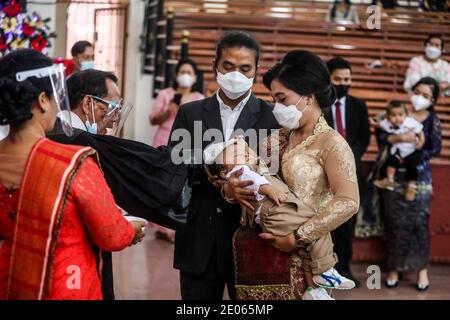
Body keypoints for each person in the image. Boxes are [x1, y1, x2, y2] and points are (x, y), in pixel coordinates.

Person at [0, 49, 145, 300]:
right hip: (63, 285)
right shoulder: (72, 163)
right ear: (43, 100)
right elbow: (111, 234)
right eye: (56, 98)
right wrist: (133, 230)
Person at [225, 50, 360, 300]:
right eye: (273, 99)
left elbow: (348, 201)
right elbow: (245, 171)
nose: (277, 107)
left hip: (305, 262)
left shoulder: (332, 143)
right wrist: (230, 190)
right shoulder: (275, 139)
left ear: (308, 97)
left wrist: (297, 237)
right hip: (257, 256)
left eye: (282, 99)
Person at [168, 31, 279, 300]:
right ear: (214, 65)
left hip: (252, 240)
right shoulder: (190, 112)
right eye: (228, 66)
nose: (236, 75)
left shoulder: (272, 117)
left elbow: (276, 171)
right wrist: (220, 181)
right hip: (198, 241)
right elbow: (174, 169)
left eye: (244, 68)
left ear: (256, 71)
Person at [204, 136, 355, 300]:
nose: (243, 154)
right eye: (236, 153)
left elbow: (254, 159)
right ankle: (325, 271)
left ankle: (315, 290)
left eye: (243, 152)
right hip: (278, 211)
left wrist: (243, 149)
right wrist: (270, 190)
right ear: (224, 172)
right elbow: (256, 181)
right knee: (318, 230)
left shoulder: (327, 140)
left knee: (307, 249)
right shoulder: (242, 170)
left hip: (282, 213)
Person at [380, 77, 442, 291]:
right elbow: (380, 135)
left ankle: (422, 269)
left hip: (420, 177)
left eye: (425, 95)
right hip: (394, 176)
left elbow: (435, 148)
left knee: (419, 223)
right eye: (417, 92)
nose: (419, 97)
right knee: (394, 222)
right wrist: (394, 140)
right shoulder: (398, 112)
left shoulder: (432, 119)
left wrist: (413, 154)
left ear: (432, 99)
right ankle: (394, 268)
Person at [324, 57, 370, 286]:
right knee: (320, 222)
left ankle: (343, 270)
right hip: (321, 174)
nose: (343, 83)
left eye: (347, 79)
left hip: (351, 173)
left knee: (346, 224)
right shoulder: (319, 106)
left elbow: (364, 138)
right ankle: (320, 268)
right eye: (338, 79)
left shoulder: (358, 105)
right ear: (328, 79)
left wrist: (347, 157)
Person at [149, 58, 205, 243]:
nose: (185, 76)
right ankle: (162, 226)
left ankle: (176, 224)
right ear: (177, 75)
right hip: (163, 141)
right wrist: (169, 110)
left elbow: (202, 125)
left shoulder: (199, 99)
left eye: (189, 73)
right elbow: (153, 119)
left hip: (188, 144)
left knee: (182, 184)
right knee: (162, 183)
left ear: (195, 77)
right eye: (182, 72)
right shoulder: (166, 94)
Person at [373, 101, 425, 201]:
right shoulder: (387, 124)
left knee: (413, 164)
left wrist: (421, 142)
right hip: (397, 150)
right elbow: (379, 125)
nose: (397, 118)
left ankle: (411, 186)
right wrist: (373, 123)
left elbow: (420, 131)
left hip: (411, 149)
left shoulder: (410, 122)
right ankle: (389, 180)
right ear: (388, 116)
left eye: (400, 115)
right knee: (391, 160)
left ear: (406, 114)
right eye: (393, 115)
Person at [67, 69, 121, 135]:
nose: (115, 118)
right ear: (87, 103)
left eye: (117, 110)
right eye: (112, 108)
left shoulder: (62, 130)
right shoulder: (75, 141)